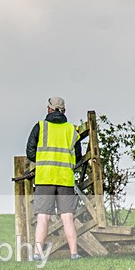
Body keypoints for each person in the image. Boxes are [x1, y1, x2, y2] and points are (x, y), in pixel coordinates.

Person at [26, 96, 82, 260]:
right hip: (65, 179)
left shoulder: (40, 126)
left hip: (45, 179)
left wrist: (44, 162)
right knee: (67, 217)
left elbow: (30, 152)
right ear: (64, 110)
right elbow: (77, 156)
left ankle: (37, 254)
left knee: (43, 216)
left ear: (48, 109)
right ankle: (74, 253)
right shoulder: (71, 130)